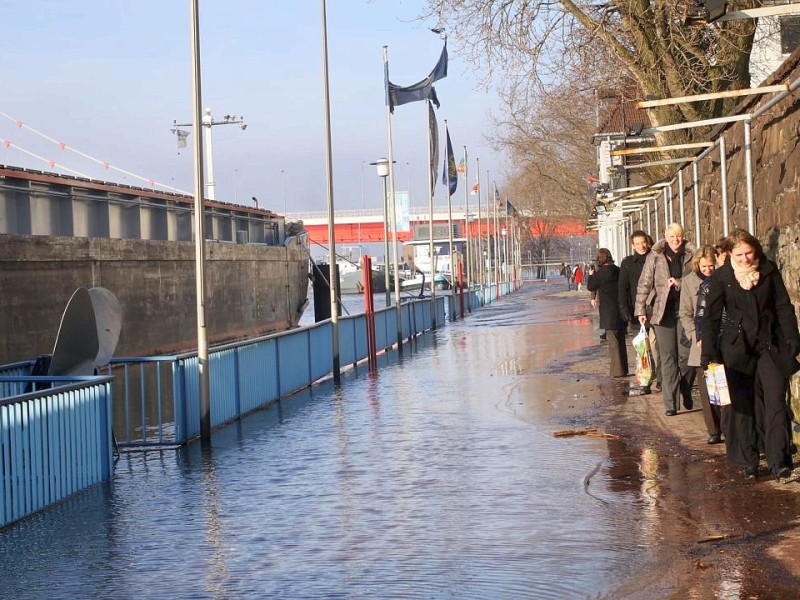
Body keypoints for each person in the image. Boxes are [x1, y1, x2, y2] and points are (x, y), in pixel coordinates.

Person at [700, 229, 800, 481]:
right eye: (739, 254)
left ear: (756, 250)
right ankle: (749, 460)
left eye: (749, 253)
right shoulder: (723, 277)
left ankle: (779, 460)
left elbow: (783, 306)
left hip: (770, 345)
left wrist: (792, 341)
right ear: (730, 254)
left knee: (775, 401)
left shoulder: (768, 269)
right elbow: (710, 318)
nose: (745, 259)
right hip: (737, 348)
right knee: (742, 405)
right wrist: (709, 354)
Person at [635, 223, 696, 416]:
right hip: (662, 313)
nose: (675, 240)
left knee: (686, 357)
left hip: (686, 311)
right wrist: (640, 309)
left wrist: (679, 283)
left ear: (683, 237)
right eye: (672, 236)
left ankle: (686, 389)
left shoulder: (692, 255)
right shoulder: (655, 256)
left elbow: (699, 278)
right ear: (665, 236)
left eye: (679, 236)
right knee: (668, 357)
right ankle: (671, 403)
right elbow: (644, 283)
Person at [679, 246, 722, 444]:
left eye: (711, 266)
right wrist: (694, 335)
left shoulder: (722, 279)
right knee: (706, 390)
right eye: (704, 266)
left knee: (723, 386)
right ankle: (714, 430)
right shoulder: (688, 282)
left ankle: (729, 427)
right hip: (700, 342)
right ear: (697, 264)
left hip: (722, 340)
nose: (708, 270)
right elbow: (685, 313)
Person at [587, 249, 628, 377]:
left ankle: (617, 371)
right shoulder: (618, 270)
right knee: (621, 340)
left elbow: (591, 286)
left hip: (608, 310)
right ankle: (624, 368)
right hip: (621, 308)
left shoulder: (600, 274)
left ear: (599, 259)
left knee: (613, 342)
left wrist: (590, 275)